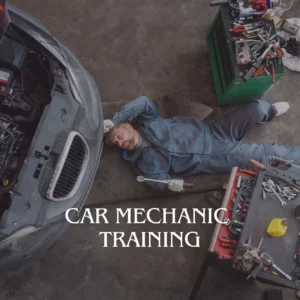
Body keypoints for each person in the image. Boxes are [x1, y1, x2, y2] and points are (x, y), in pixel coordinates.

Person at [104, 96, 296, 192]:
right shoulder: (142, 165)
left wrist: (115, 119)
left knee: (258, 108)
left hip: (213, 130)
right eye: (116, 143)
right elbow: (159, 181)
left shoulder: (149, 120)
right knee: (272, 154)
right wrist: (170, 185)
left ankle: (269, 113)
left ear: (127, 125)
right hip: (216, 156)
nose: (120, 142)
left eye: (118, 135)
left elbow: (143, 101)